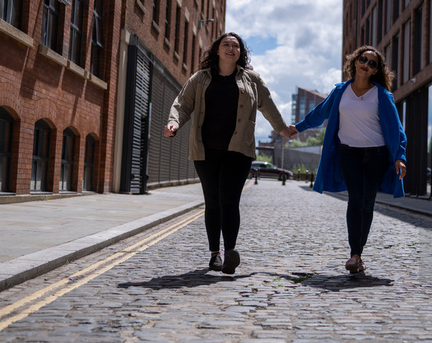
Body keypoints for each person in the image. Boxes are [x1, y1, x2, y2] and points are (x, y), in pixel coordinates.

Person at [165, 32, 295, 274]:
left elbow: (267, 104)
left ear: (240, 53)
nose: (231, 49)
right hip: (206, 150)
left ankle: (229, 253)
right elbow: (183, 104)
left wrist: (282, 128)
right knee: (213, 202)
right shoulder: (200, 78)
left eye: (236, 46)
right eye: (226, 44)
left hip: (238, 150)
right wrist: (174, 123)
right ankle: (214, 253)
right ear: (217, 50)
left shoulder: (252, 79)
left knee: (230, 201)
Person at [289, 46, 407, 274]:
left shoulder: (382, 95)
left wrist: (400, 157)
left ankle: (358, 254)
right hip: (348, 153)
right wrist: (298, 128)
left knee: (367, 203)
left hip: (377, 154)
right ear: (354, 62)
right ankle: (355, 254)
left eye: (373, 63)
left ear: (375, 71)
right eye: (363, 59)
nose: (366, 64)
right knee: (355, 198)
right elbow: (320, 112)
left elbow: (397, 130)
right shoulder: (341, 91)